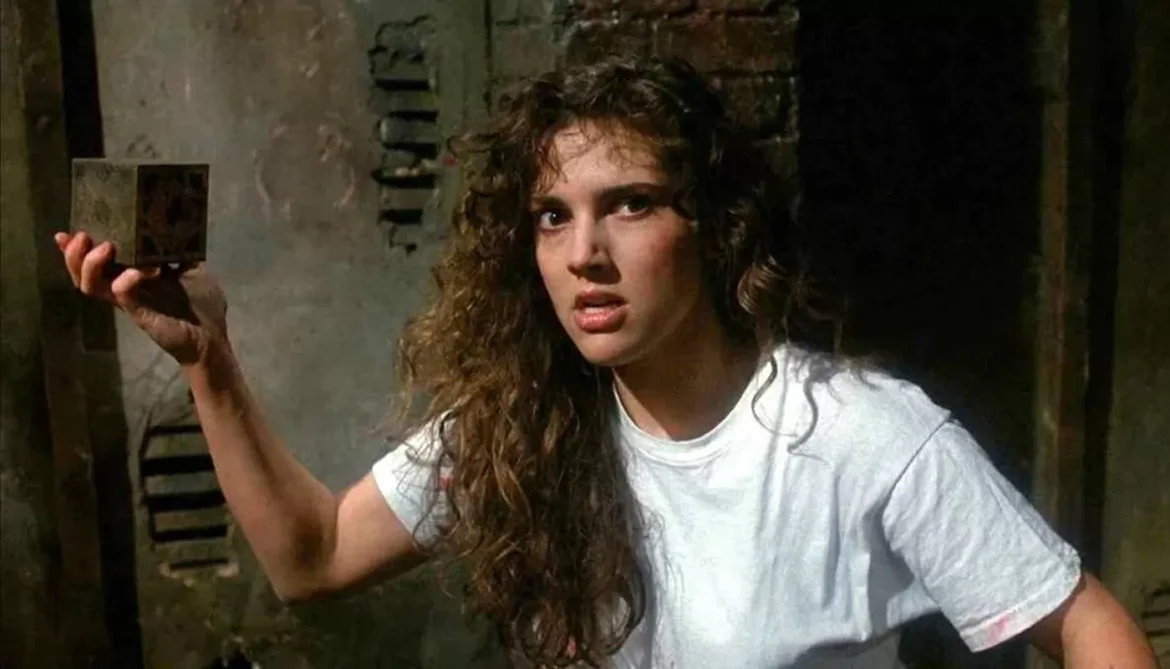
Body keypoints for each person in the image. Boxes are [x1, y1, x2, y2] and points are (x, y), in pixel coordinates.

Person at [56, 56, 1154, 668]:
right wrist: (209, 358)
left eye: (629, 204)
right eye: (553, 216)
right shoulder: (524, 424)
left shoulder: (860, 434)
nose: (584, 251)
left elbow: (1089, 626)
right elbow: (314, 556)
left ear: (714, 226)